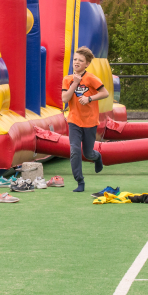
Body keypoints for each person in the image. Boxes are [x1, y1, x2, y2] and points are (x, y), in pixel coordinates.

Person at [61, 46, 110, 193]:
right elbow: (64, 98)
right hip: (74, 120)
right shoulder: (67, 79)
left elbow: (105, 93)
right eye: (75, 59)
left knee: (88, 153)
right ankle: (80, 181)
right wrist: (75, 83)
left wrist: (89, 98)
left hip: (89, 121)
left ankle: (97, 157)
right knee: (75, 150)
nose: (76, 62)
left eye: (80, 60)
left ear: (86, 64)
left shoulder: (91, 78)